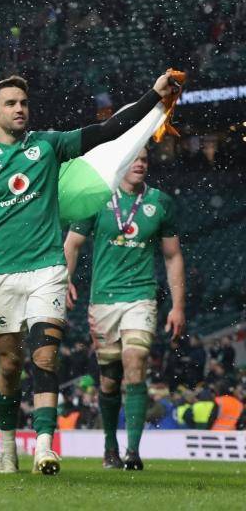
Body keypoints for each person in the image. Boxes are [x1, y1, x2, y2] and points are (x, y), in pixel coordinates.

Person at [0, 72, 180, 475]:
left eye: (24, 102)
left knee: (45, 355)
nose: (20, 108)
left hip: (47, 269)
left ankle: (44, 445)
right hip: (1, 273)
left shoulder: (48, 144)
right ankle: (7, 444)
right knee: (8, 365)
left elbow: (109, 130)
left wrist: (154, 97)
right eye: (11, 103)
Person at [65, 147, 186, 470]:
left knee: (136, 360)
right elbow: (72, 244)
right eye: (135, 158)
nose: (141, 163)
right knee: (109, 378)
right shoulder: (95, 198)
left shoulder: (160, 203)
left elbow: (172, 256)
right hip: (103, 299)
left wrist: (177, 306)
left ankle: (133, 451)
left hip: (141, 296)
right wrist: (65, 279)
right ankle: (110, 447)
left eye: (145, 158)